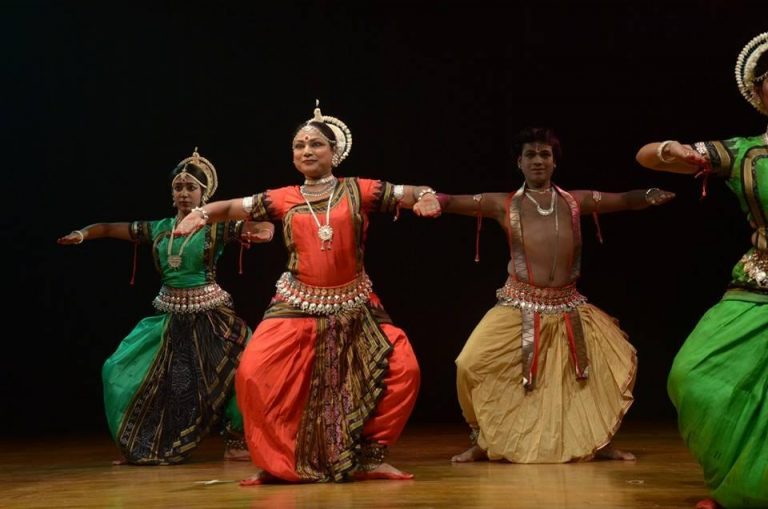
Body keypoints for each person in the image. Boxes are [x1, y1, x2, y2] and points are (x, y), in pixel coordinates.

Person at [174, 102, 442, 484]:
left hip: (354, 301)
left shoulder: (359, 190)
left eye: (315, 144)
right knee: (252, 372)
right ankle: (277, 460)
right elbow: (234, 206)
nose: (306, 152)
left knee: (404, 369)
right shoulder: (282, 197)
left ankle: (371, 456)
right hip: (298, 300)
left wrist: (425, 195)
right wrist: (200, 215)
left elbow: (408, 192)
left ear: (334, 152)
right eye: (299, 146)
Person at [438, 127, 675, 465]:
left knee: (610, 364)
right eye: (531, 155)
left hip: (568, 303)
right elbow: (454, 201)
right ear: (519, 162)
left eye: (545, 154)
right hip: (518, 302)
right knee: (470, 363)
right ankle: (481, 439)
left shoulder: (574, 202)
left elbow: (622, 200)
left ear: (554, 162)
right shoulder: (502, 204)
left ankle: (598, 440)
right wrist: (433, 200)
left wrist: (649, 194)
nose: (538, 160)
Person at [58, 149, 275, 465]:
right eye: (178, 188)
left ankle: (238, 440)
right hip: (170, 319)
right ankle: (147, 443)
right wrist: (82, 234)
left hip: (213, 318)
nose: (184, 194)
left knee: (245, 369)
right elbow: (107, 227)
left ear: (205, 193)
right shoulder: (158, 228)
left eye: (191, 188)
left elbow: (262, 226)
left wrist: (261, 233)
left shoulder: (216, 226)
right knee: (117, 369)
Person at [634, 32, 768, 509]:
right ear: (760, 93)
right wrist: (673, 149)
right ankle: (741, 485)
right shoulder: (745, 152)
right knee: (691, 376)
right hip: (759, 285)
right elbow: (646, 155)